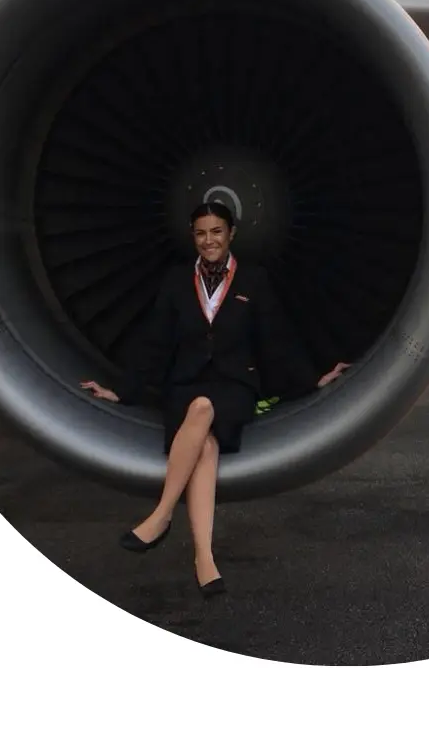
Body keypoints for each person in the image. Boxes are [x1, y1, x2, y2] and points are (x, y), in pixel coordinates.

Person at [81, 201, 349, 598]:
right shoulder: (175, 281)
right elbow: (154, 341)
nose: (209, 240)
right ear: (193, 237)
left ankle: (162, 514)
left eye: (217, 232)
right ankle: (204, 559)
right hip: (185, 384)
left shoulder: (253, 281)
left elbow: (276, 339)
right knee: (204, 445)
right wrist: (123, 390)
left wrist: (312, 379)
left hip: (234, 386)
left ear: (231, 234)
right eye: (202, 233)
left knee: (204, 408)